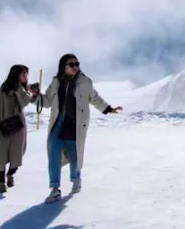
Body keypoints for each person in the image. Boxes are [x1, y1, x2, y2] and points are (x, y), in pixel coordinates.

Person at [37, 53, 123, 204]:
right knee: (54, 155)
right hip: (58, 123)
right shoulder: (56, 82)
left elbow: (94, 98)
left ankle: (76, 178)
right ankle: (55, 189)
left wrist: (108, 109)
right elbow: (47, 101)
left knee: (74, 156)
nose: (75, 67)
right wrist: (35, 96)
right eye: (72, 64)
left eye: (77, 64)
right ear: (63, 67)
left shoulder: (85, 81)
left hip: (74, 124)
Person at [0, 64, 39, 193]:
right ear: (16, 74)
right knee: (0, 156)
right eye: (23, 74)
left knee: (17, 155)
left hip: (18, 127)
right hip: (4, 127)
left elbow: (26, 101)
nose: (25, 76)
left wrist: (30, 92)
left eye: (26, 74)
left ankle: (10, 174)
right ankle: (1, 183)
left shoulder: (21, 90)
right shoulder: (2, 91)